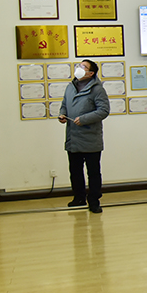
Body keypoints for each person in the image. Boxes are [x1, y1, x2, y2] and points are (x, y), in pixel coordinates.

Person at [59, 59, 110, 213]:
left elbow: (103, 110)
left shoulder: (97, 89)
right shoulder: (71, 86)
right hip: (73, 137)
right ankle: (79, 198)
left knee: (93, 172)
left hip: (90, 138)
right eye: (79, 65)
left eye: (83, 67)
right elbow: (64, 104)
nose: (79, 68)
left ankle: (94, 201)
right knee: (75, 171)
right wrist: (62, 114)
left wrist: (84, 119)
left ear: (91, 73)